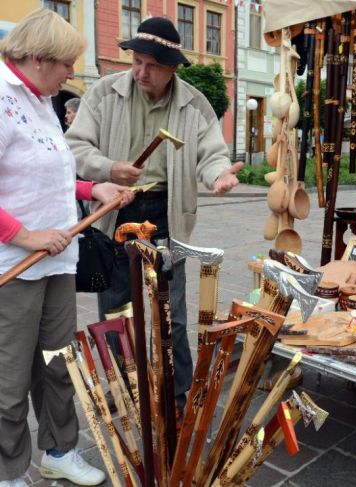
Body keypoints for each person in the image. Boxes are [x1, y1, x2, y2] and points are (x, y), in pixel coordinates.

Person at [66, 16, 243, 413]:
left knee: (171, 312)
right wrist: (110, 168)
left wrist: (218, 176)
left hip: (166, 214)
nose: (142, 72)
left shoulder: (194, 102)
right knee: (116, 308)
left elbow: (211, 153)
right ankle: (124, 385)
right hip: (116, 210)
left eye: (153, 65)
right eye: (137, 62)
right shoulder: (103, 93)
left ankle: (174, 393)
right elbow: (74, 148)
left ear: (173, 68)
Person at [0, 9, 134, 487]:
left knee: (57, 362)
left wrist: (89, 190)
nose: (72, 73)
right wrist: (23, 235)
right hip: (14, 266)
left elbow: (45, 176)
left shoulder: (41, 100)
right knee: (10, 379)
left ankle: (59, 449)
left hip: (57, 261)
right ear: (39, 59)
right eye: (67, 64)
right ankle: (9, 471)